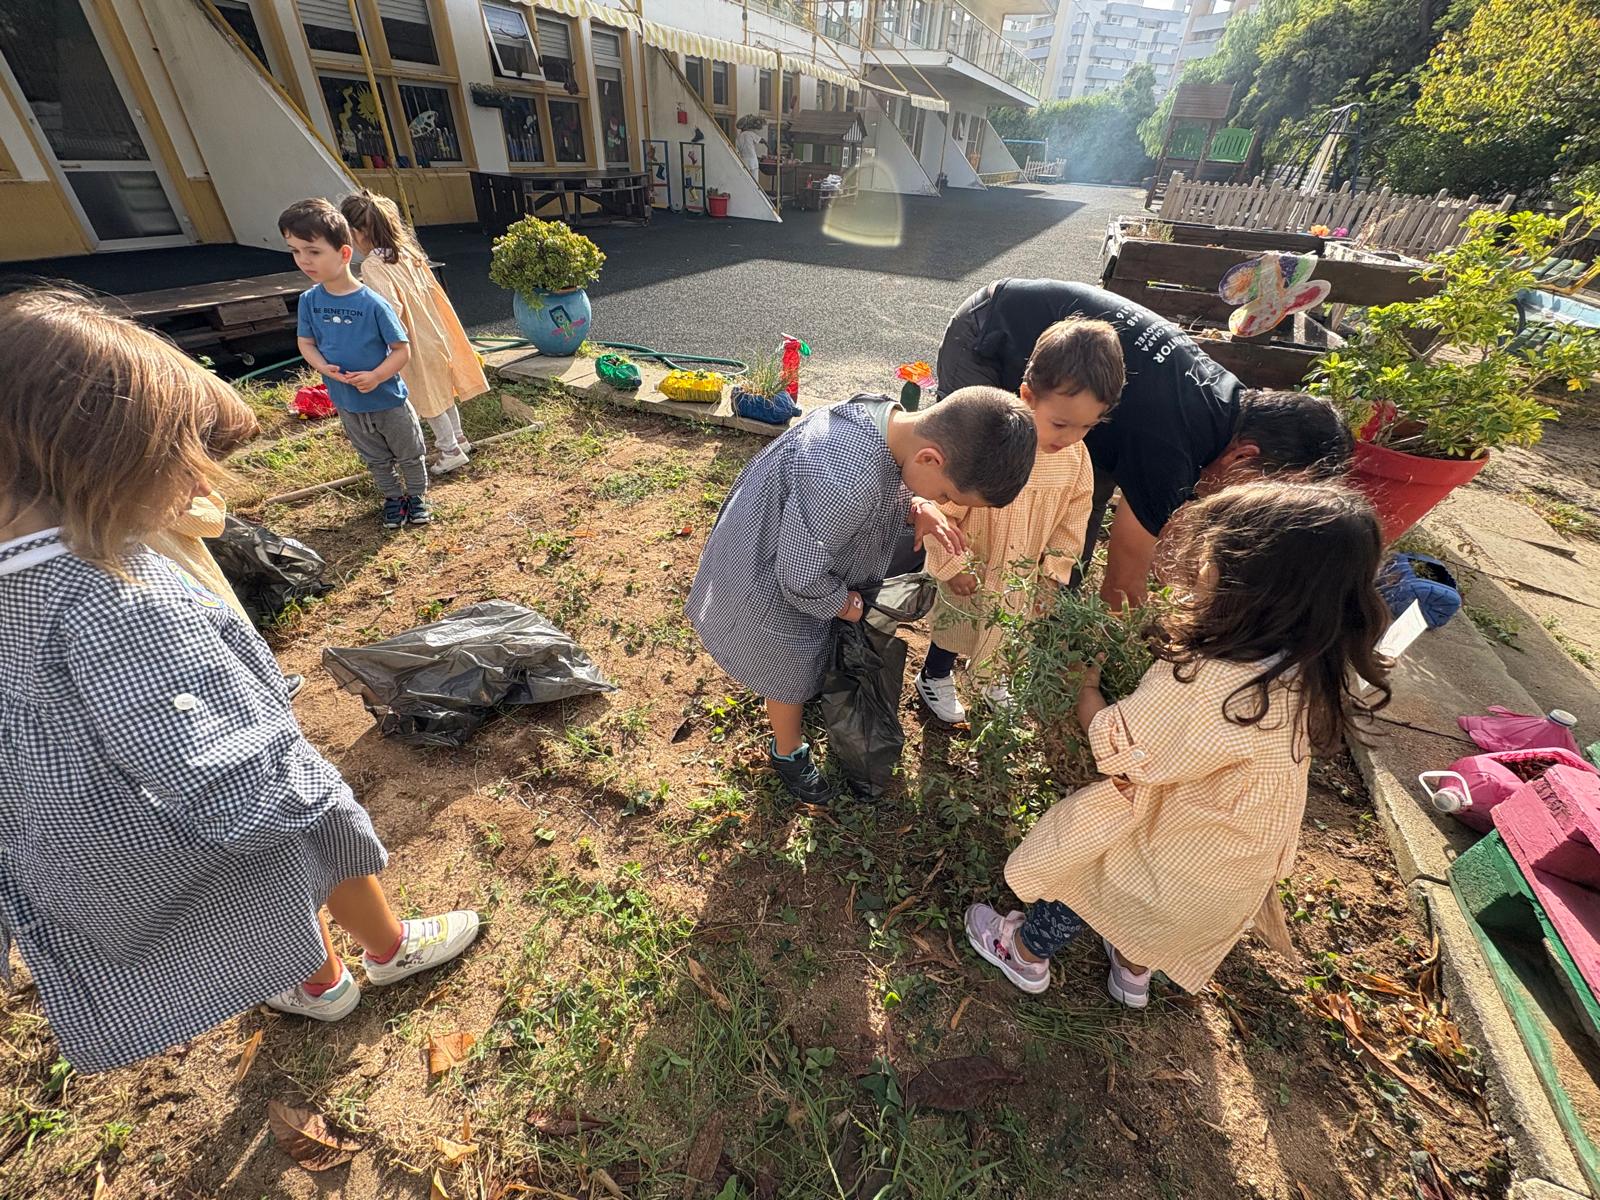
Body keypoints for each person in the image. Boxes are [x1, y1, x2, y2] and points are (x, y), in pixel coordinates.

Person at [0, 287, 481, 1072]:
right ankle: (380, 952)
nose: (196, 479)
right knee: (300, 855)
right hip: (208, 812)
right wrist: (305, 788)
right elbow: (218, 774)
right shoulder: (104, 595)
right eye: (181, 456)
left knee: (273, 890)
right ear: (102, 461)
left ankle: (322, 982)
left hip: (100, 828)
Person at [964, 479, 1392, 1007]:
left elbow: (1121, 746)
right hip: (1234, 863)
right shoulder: (1317, 668)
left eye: (1211, 559)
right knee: (1158, 913)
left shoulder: (1211, 680)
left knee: (1089, 877)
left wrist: (1087, 687)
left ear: (1246, 583)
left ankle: (1025, 954)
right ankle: (1132, 971)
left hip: (1167, 843)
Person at [687, 388, 1037, 804]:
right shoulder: (845, 480)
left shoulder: (893, 425)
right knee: (790, 669)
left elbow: (886, 489)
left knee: (809, 653)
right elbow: (799, 579)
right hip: (773, 579)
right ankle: (787, 752)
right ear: (931, 458)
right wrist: (849, 605)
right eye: (946, 496)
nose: (943, 503)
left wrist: (918, 505)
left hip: (796, 545)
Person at [936, 279, 1353, 608]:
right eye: (1264, 493)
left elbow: (1159, 526)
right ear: (1246, 455)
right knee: (976, 473)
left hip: (1071, 392)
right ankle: (931, 568)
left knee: (1083, 495)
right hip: (990, 334)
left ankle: (1050, 607)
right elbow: (1123, 579)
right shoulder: (1175, 448)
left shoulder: (1231, 406)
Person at [914, 317, 1123, 725]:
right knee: (957, 622)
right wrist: (953, 564)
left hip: (1022, 572)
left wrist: (1053, 572)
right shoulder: (993, 443)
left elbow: (1073, 520)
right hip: (975, 560)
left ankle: (994, 680)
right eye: (1061, 423)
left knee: (1012, 627)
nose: (1071, 436)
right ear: (1028, 396)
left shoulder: (1076, 459)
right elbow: (945, 507)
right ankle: (935, 674)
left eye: (1087, 426)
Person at [282, 198, 425, 531]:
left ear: (344, 253)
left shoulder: (373, 303)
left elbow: (401, 350)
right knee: (375, 458)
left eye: (313, 251)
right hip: (348, 403)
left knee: (409, 453)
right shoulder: (309, 301)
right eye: (295, 251)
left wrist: (376, 376)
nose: (304, 260)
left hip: (388, 400)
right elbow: (306, 343)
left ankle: (416, 496)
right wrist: (322, 366)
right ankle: (393, 499)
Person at [340, 190, 489, 475]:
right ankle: (459, 439)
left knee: (427, 396)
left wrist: (372, 337)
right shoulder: (409, 255)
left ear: (358, 233)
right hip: (436, 333)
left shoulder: (374, 266)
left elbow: (389, 308)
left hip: (414, 343)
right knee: (442, 390)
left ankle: (450, 450)